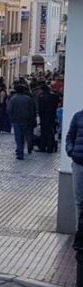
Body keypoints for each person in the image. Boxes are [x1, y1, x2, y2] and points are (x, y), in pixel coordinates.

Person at [66, 106, 83, 252]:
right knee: (79, 201)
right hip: (79, 163)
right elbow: (69, 136)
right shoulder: (78, 116)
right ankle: (80, 233)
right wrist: (70, 150)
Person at [7, 84, 37, 160]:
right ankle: (24, 148)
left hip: (16, 120)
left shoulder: (13, 99)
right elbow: (32, 110)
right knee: (24, 135)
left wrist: (11, 118)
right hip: (26, 120)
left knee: (18, 136)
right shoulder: (28, 99)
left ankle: (20, 152)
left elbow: (9, 110)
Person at [37, 84, 58, 153]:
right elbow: (56, 106)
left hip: (44, 117)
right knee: (50, 133)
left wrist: (40, 116)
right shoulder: (54, 96)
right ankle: (50, 148)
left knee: (43, 132)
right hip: (52, 116)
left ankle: (43, 147)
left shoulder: (41, 97)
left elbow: (40, 109)